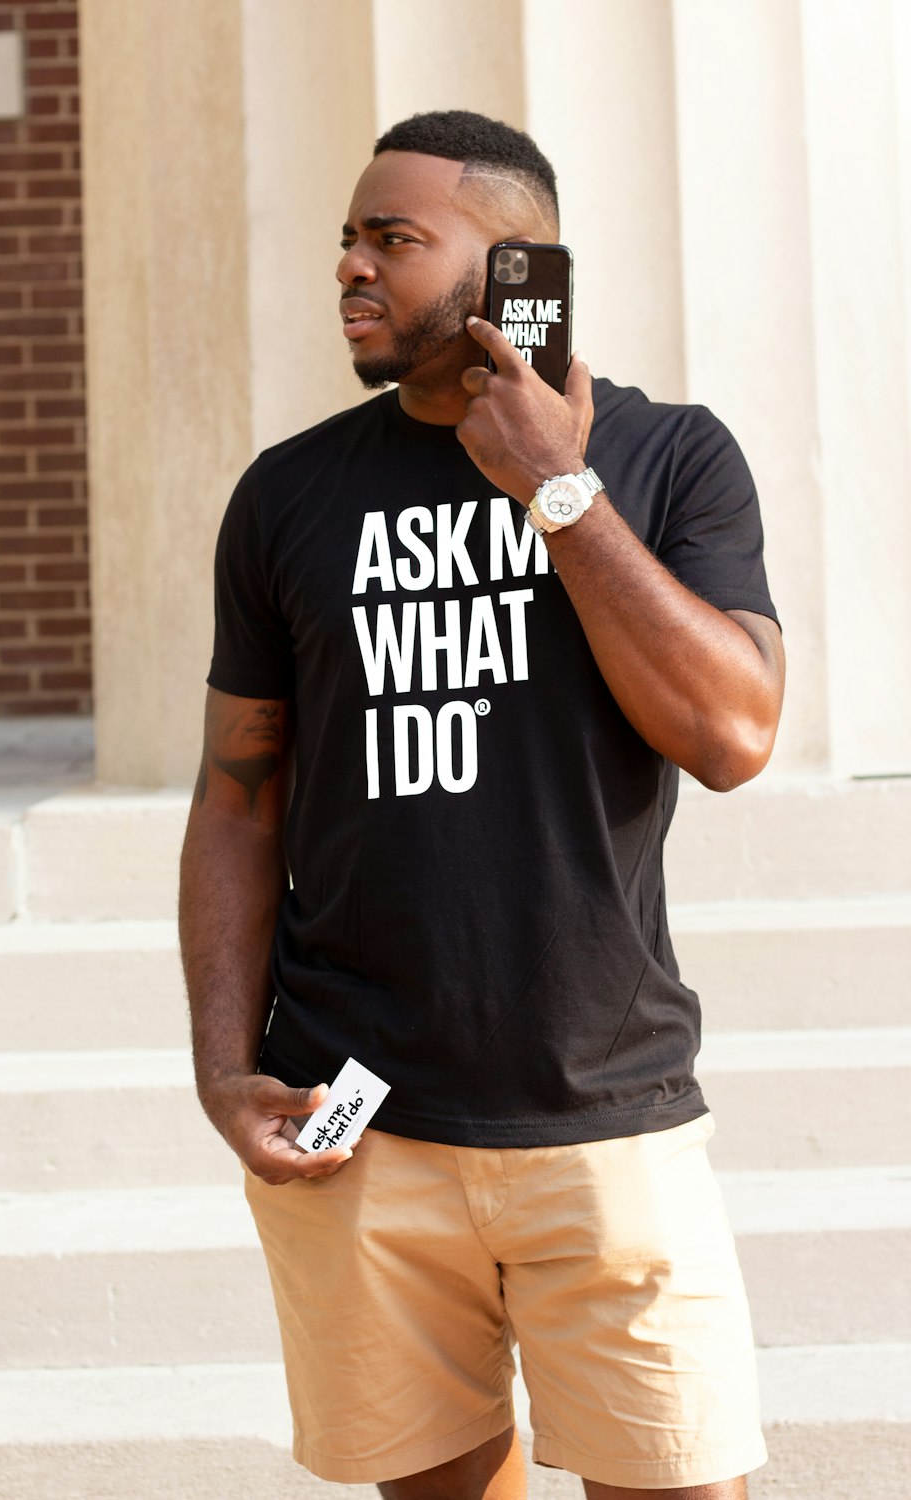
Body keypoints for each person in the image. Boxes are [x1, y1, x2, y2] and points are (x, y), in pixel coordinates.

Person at [179, 109, 785, 1500]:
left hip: (606, 1111)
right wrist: (225, 1066)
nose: (352, 267)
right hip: (360, 1117)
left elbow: (733, 731)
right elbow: (236, 797)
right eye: (346, 238)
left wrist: (554, 492)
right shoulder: (288, 497)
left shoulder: (669, 459)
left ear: (521, 266)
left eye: (394, 238)